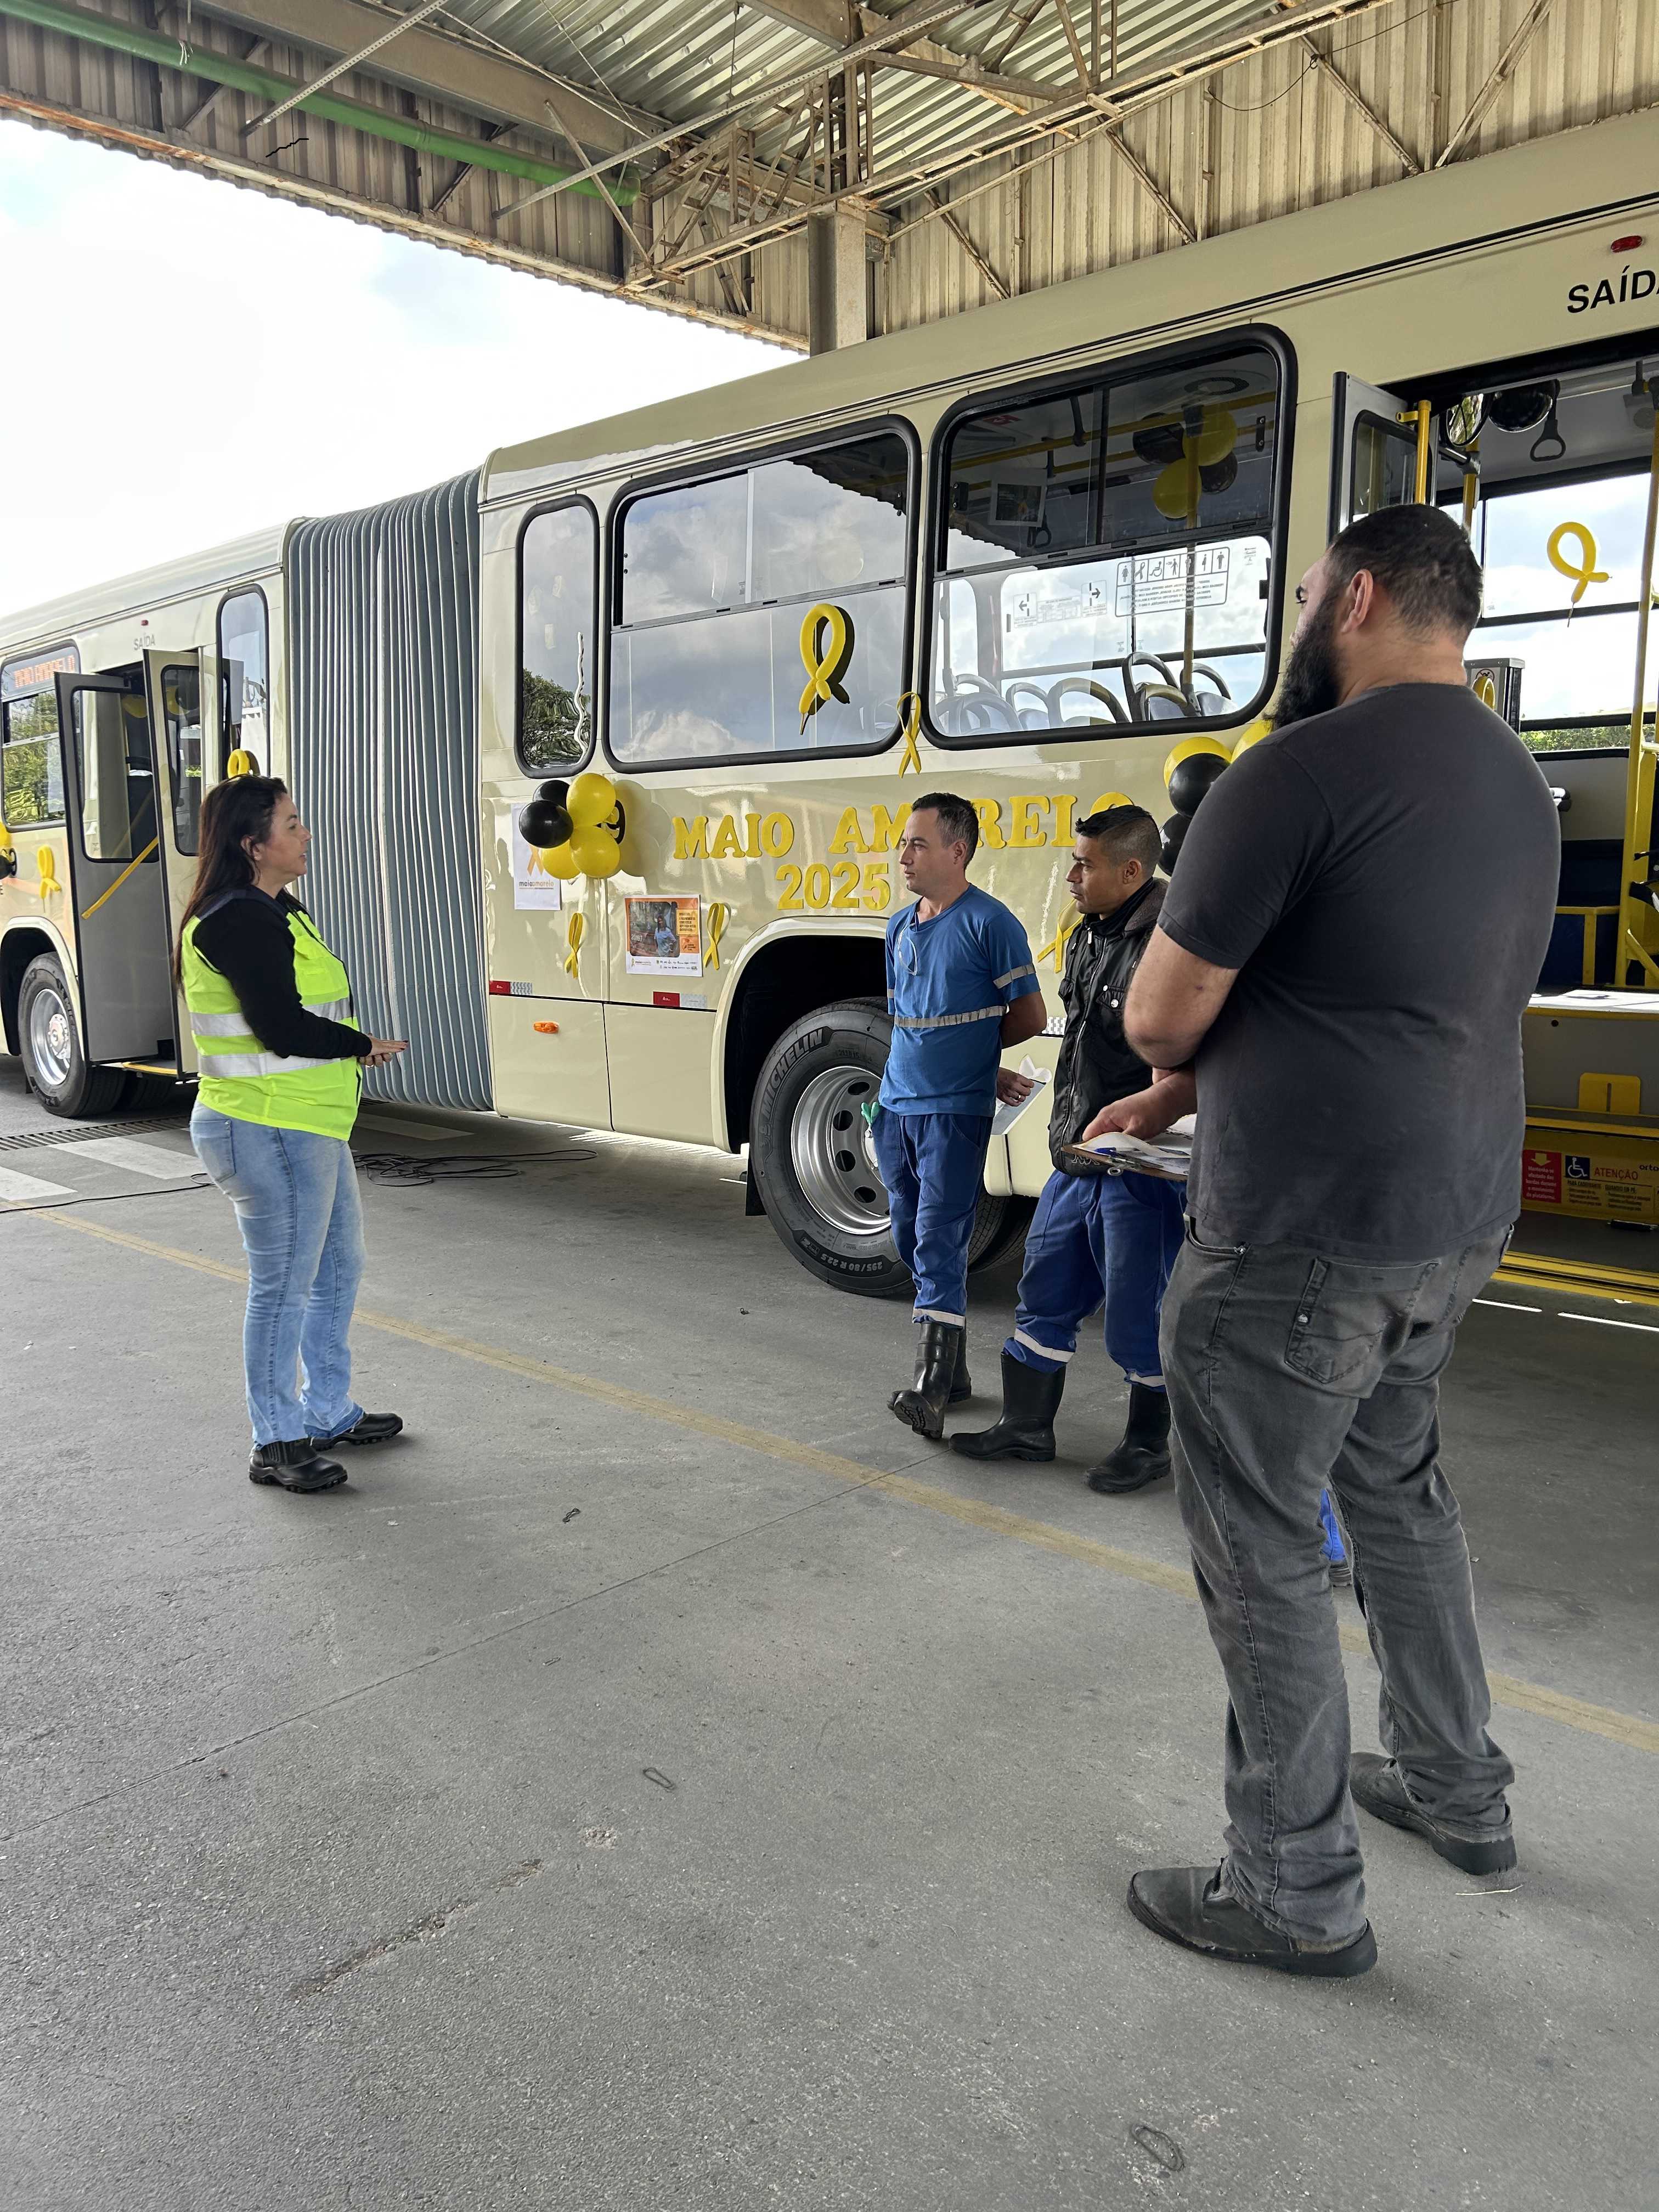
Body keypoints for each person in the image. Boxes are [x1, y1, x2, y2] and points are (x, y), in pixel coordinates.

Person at [1119, 503, 1559, 1978]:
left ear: (1357, 597)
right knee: (1402, 1501)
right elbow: (1402, 983)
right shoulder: (1517, 784)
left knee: (1263, 1548)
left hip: (1301, 1235)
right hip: (1452, 1221)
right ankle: (1456, 1786)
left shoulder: (1289, 774)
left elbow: (1158, 1010)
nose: (1302, 619)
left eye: (1308, 595)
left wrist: (1176, 1065)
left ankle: (1297, 1889)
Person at [177, 776, 410, 1494]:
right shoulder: (235, 918)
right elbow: (278, 1027)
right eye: (292, 822)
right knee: (282, 1286)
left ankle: (328, 1410)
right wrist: (356, 1041)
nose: (305, 833)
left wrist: (347, 1047)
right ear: (254, 844)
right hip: (264, 1125)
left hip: (307, 1123)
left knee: (339, 1265)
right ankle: (276, 1440)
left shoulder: (280, 910)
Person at [951, 805, 1188, 1492]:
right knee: (1044, 1290)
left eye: (1085, 864)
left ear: (1133, 871)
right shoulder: (1092, 933)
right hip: (1076, 1156)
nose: (1070, 876)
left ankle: (1150, 1446)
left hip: (1135, 1167)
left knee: (1139, 1313)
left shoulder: (1169, 943)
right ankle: (1026, 1429)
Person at [872, 792, 1046, 1437]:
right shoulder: (897, 927)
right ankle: (955, 1372)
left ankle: (931, 1387)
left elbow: (1028, 1018)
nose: (904, 856)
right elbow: (913, 1024)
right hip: (896, 1106)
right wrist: (979, 1061)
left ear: (958, 851)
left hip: (953, 1114)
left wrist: (977, 1067)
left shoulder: (990, 923)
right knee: (906, 1231)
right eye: (903, 843)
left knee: (940, 1236)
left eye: (917, 844)